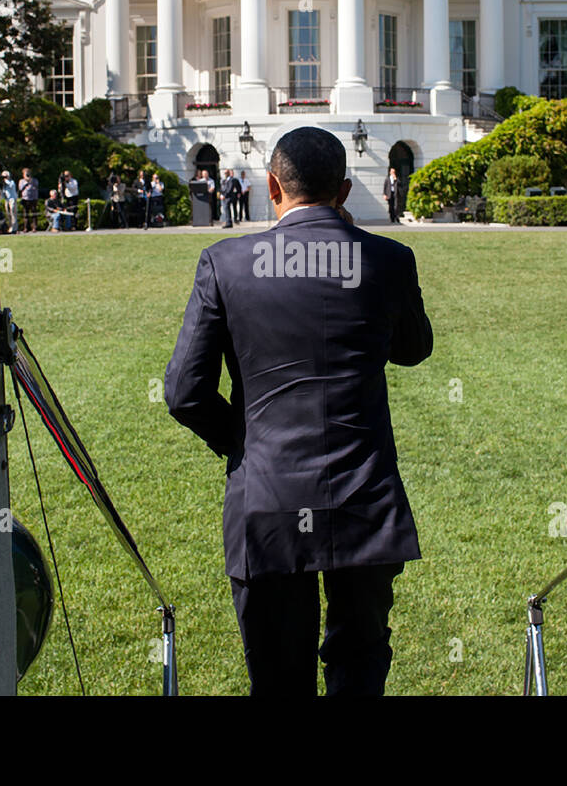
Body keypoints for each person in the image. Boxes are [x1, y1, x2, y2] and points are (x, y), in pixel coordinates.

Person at [164, 126, 433, 696]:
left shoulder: (226, 262)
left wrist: (240, 441)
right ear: (343, 190)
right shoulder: (387, 258)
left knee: (279, 679)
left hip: (267, 492)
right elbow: (413, 349)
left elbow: (184, 392)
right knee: (359, 666)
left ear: (271, 186)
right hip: (363, 493)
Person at [18, 168, 39, 233]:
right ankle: (26, 228)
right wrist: (26, 182)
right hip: (25, 199)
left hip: (33, 199)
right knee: (26, 214)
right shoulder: (21, 181)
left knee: (34, 214)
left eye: (28, 174)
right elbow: (20, 188)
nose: (27, 175)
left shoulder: (34, 180)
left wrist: (30, 180)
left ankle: (34, 228)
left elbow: (37, 185)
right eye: (26, 174)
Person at [0, 170, 18, 234]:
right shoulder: (4, 184)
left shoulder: (11, 182)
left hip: (12, 199)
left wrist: (5, 180)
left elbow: (11, 186)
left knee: (13, 213)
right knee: (8, 214)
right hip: (7, 199)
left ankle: (14, 228)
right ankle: (10, 227)